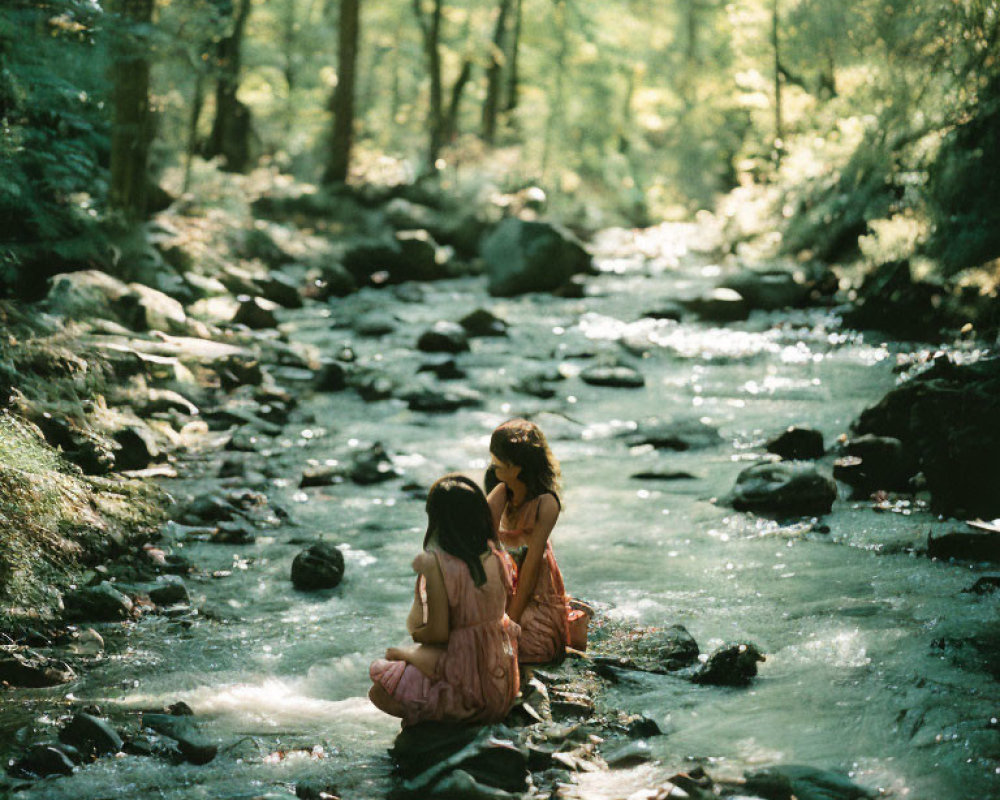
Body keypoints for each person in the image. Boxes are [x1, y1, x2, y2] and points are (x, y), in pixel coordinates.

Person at [369, 474, 520, 726]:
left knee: (380, 689)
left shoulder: (441, 566)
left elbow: (437, 634)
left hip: (466, 688)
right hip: (500, 685)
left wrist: (413, 644)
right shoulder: (498, 557)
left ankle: (437, 719)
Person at [486, 418, 591, 664]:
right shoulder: (502, 493)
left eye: (498, 463)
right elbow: (479, 538)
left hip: (536, 595)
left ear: (517, 468)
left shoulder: (546, 504)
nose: (493, 469)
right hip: (506, 589)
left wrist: (510, 619)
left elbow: (531, 567)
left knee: (526, 650)